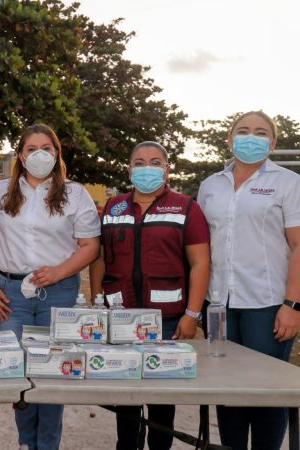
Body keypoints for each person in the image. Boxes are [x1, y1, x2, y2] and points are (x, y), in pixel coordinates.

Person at [0, 124, 101, 450]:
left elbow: (90, 246)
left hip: (58, 293)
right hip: (11, 294)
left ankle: (47, 445)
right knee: (18, 371)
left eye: (46, 148)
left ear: (56, 153)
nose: (39, 154)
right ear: (20, 156)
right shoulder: (2, 191)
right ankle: (25, 442)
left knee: (52, 373)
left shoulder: (75, 193)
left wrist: (59, 271)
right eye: (31, 148)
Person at [89, 141, 210, 450]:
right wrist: (97, 302)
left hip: (166, 321)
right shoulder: (113, 207)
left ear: (167, 169)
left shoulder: (186, 207)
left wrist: (192, 314)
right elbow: (99, 258)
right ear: (129, 170)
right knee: (126, 398)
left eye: (155, 162)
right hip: (120, 318)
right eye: (139, 163)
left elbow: (200, 263)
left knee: (161, 400)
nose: (147, 168)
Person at [197, 111, 300, 450]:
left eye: (260, 132)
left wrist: (293, 304)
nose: (250, 137)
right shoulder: (210, 185)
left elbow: (298, 245)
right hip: (219, 304)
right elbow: (201, 247)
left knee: (266, 392)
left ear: (273, 141)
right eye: (242, 130)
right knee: (227, 391)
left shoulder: (289, 183)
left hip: (267, 303)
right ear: (229, 139)